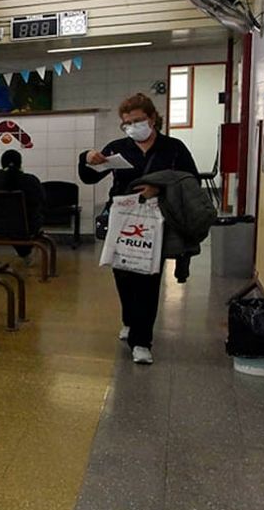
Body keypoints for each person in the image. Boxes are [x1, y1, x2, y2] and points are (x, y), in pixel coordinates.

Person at [78, 92, 199, 366]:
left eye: (138, 120)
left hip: (157, 219)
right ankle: (130, 320)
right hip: (122, 217)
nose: (133, 127)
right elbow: (89, 176)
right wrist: (87, 157)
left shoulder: (173, 148)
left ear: (153, 118)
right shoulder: (119, 147)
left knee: (148, 277)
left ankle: (142, 342)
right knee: (123, 275)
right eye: (127, 123)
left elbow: (190, 180)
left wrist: (160, 187)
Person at [0, 149, 46, 260]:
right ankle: (25, 252)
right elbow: (41, 200)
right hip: (25, 228)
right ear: (20, 163)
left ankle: (24, 253)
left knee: (10, 218)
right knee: (24, 217)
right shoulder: (30, 180)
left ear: (2, 163)